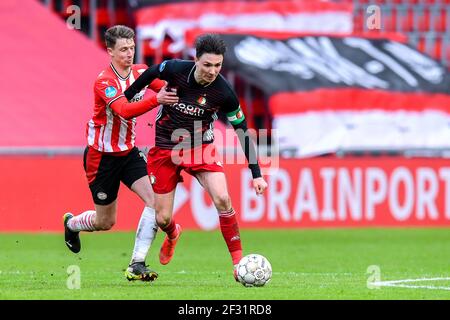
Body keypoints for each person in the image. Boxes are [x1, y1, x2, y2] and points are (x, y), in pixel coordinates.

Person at [124, 33, 268, 280]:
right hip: (164, 148)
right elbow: (150, 73)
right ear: (196, 60)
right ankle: (172, 233)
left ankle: (237, 264)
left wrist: (257, 174)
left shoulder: (224, 91)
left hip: (201, 147)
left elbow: (242, 131)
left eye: (218, 65)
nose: (213, 71)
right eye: (207, 65)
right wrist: (130, 95)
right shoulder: (175, 69)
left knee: (223, 199)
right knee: (163, 217)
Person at [62, 25, 179, 282]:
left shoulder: (139, 72)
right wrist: (157, 99)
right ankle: (71, 224)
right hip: (101, 157)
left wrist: (187, 90)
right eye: (123, 49)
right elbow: (124, 110)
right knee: (105, 222)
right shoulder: (104, 81)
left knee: (156, 202)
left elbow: (169, 88)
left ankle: (136, 264)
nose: (129, 53)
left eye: (132, 48)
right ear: (110, 51)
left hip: (128, 153)